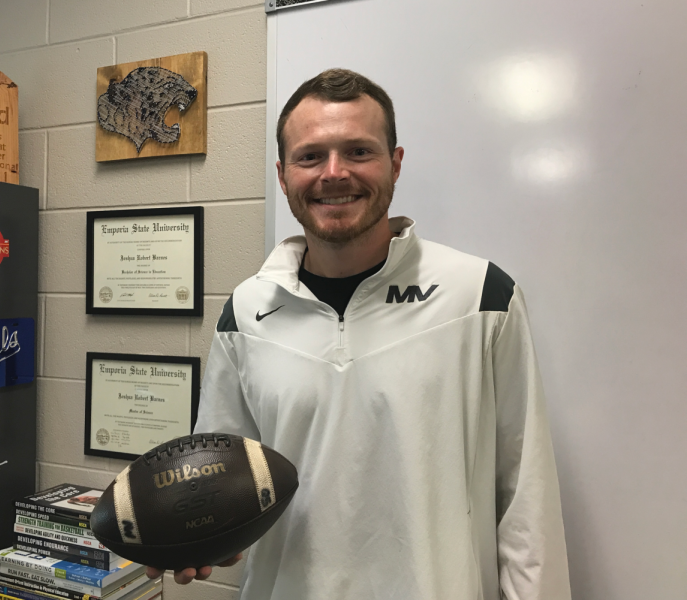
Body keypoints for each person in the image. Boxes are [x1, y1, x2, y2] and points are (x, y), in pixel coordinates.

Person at [147, 68, 572, 600]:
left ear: (395, 164)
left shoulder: (481, 295)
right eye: (310, 157)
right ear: (283, 176)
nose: (334, 173)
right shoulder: (247, 310)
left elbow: (526, 498)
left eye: (358, 151)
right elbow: (224, 479)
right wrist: (199, 538)